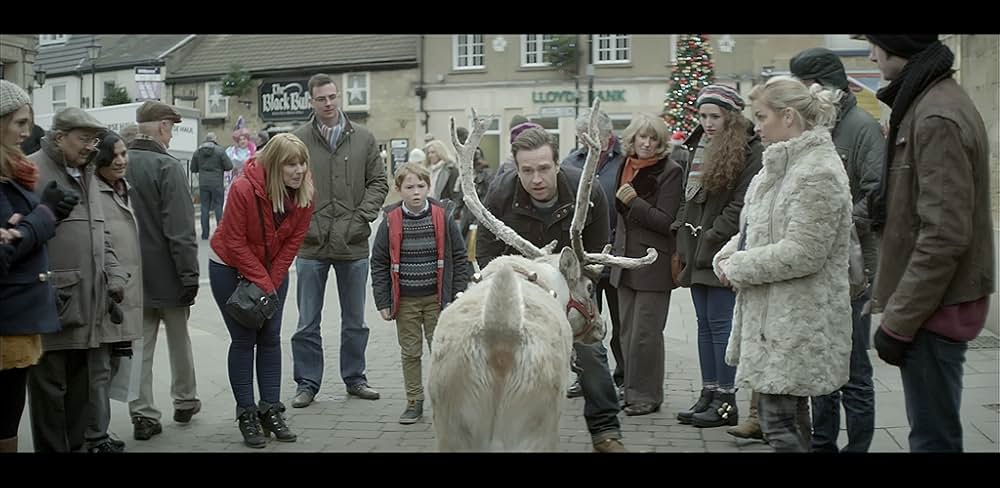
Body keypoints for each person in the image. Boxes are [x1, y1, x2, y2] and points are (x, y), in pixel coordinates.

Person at [864, 35, 994, 452]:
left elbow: (944, 233)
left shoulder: (936, 113)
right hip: (929, 304)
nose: (870, 54)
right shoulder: (925, 101)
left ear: (897, 45)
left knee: (932, 438)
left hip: (933, 308)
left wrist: (899, 321)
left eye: (874, 44)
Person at [713, 76, 853, 452]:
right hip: (772, 321)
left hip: (796, 322)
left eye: (761, 116)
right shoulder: (777, 166)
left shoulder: (817, 170)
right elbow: (757, 229)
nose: (756, 127)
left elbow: (803, 252)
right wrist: (727, 254)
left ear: (788, 116)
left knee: (779, 426)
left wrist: (737, 266)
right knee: (789, 423)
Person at [476, 127, 625, 453]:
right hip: (519, 289)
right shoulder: (501, 193)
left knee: (591, 352)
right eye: (526, 170)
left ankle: (605, 431)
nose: (536, 178)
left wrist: (568, 288)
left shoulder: (589, 191)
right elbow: (485, 252)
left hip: (571, 286)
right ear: (516, 169)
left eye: (544, 168)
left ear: (558, 163)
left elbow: (596, 253)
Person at [790, 47, 885, 452]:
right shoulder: (810, 128)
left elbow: (877, 193)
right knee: (818, 363)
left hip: (853, 268)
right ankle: (822, 444)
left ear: (824, 84)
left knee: (855, 369)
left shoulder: (861, 126)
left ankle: (858, 447)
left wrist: (836, 220)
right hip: (815, 266)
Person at [26, 107, 128, 453]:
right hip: (51, 307)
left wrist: (114, 273)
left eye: (95, 139)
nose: (91, 147)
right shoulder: (32, 171)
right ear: (59, 137)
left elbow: (103, 236)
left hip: (91, 306)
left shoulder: (88, 175)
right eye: (83, 139)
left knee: (81, 405)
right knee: (50, 402)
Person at [209, 133, 315, 448]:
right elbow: (234, 241)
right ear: (273, 166)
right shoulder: (243, 188)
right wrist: (266, 283)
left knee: (270, 338)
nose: (299, 171)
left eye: (302, 163)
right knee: (244, 339)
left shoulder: (306, 193)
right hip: (228, 266)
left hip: (271, 269)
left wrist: (271, 281)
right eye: (291, 164)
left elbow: (293, 243)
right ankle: (247, 413)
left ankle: (271, 409)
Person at [290, 73, 388, 408]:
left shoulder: (363, 138)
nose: (328, 104)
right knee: (307, 321)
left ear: (339, 97)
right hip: (311, 244)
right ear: (311, 101)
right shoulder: (297, 140)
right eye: (321, 99)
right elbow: (287, 187)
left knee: (355, 320)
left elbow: (378, 182)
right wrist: (305, 222)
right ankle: (307, 383)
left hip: (353, 241)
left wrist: (361, 218)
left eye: (332, 97)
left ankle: (355, 378)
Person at [672, 85, 763, 428]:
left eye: (715, 116)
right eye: (703, 116)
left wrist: (712, 236)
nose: (708, 123)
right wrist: (682, 233)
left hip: (722, 249)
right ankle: (708, 392)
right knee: (704, 325)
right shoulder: (698, 145)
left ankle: (727, 400)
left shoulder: (748, 149)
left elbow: (742, 203)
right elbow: (688, 196)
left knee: (722, 325)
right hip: (695, 247)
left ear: (731, 116)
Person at [0, 80, 74, 453]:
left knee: (8, 419)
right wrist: (43, 216)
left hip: (17, 321)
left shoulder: (13, 173)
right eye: (19, 123)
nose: (27, 132)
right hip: (6, 323)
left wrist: (39, 218)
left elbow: (18, 237)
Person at [371, 162, 469, 424]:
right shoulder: (390, 221)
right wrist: (382, 299)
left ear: (428, 187)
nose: (416, 192)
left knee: (442, 352)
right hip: (406, 301)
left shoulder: (443, 216)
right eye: (409, 187)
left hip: (439, 300)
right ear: (398, 189)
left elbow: (460, 258)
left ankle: (446, 402)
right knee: (411, 352)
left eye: (421, 186)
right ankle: (414, 401)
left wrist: (458, 294)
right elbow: (378, 262)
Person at [126, 101, 201, 441]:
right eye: (171, 126)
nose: (171, 134)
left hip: (130, 274)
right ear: (160, 126)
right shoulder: (167, 167)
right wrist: (189, 275)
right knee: (178, 340)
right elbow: (181, 229)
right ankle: (184, 400)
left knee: (139, 348)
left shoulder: (119, 163)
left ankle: (142, 414)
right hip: (169, 272)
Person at [609, 113, 683, 416]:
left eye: (654, 138)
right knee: (625, 332)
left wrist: (634, 201)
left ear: (661, 142)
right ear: (633, 139)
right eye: (643, 137)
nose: (647, 143)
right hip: (624, 261)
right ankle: (630, 391)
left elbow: (667, 222)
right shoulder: (624, 165)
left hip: (653, 264)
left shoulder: (670, 170)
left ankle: (646, 396)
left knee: (646, 334)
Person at [561, 109, 625, 398]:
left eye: (588, 134)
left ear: (606, 134)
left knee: (621, 323)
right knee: (581, 320)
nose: (583, 141)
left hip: (615, 253)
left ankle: (623, 376)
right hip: (582, 258)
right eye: (580, 136)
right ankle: (584, 378)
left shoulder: (623, 162)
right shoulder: (570, 162)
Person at [90, 130, 143, 452]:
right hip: (107, 292)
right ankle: (94, 434)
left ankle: (99, 431)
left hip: (125, 291)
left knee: (114, 367)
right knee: (100, 370)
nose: (122, 160)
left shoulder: (123, 189)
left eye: (125, 153)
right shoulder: (95, 191)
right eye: (116, 155)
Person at [191, 132, 233, 240]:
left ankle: (205, 234)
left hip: (203, 183)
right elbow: (229, 166)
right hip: (217, 183)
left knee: (204, 207)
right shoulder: (220, 151)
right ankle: (220, 234)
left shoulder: (197, 152)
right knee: (218, 206)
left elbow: (193, 169)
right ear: (214, 139)